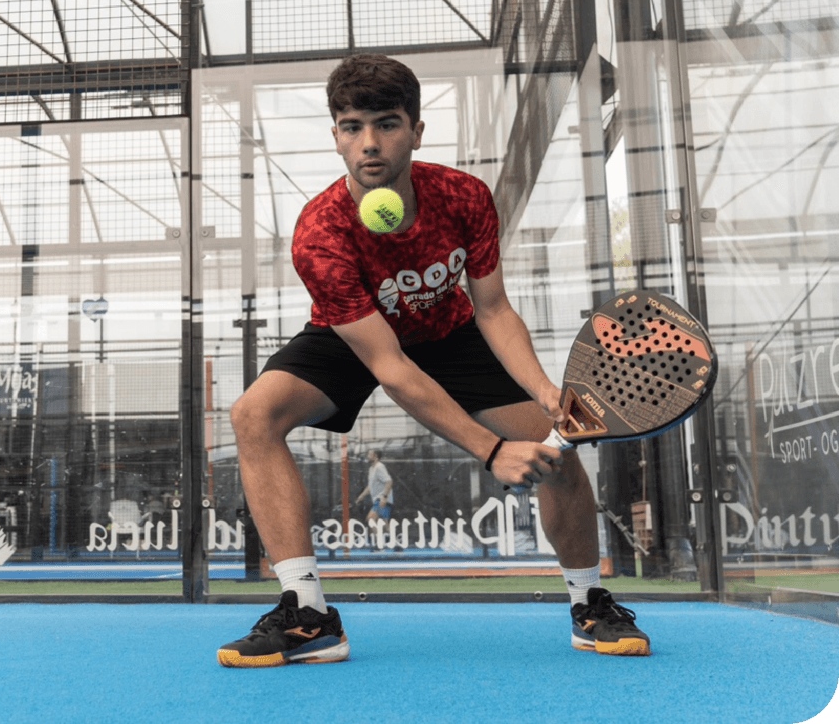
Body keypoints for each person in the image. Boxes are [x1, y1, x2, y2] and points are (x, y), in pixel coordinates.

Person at [217, 54, 650, 668]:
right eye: (352, 126)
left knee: (555, 453)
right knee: (253, 416)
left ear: (416, 132)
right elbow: (389, 366)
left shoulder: (464, 198)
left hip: (450, 334)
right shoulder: (322, 232)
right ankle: (309, 615)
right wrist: (493, 452)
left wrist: (545, 390)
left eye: (388, 124)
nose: (369, 143)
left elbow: (494, 309)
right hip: (355, 338)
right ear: (336, 135)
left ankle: (589, 602)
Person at [354, 450, 393, 542]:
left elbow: (389, 481)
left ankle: (379, 543)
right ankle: (389, 544)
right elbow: (370, 487)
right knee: (383, 524)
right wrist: (361, 497)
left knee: (371, 519)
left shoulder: (379, 467)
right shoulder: (372, 469)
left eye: (369, 454)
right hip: (378, 500)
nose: (367, 456)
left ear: (375, 456)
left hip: (382, 500)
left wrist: (384, 496)